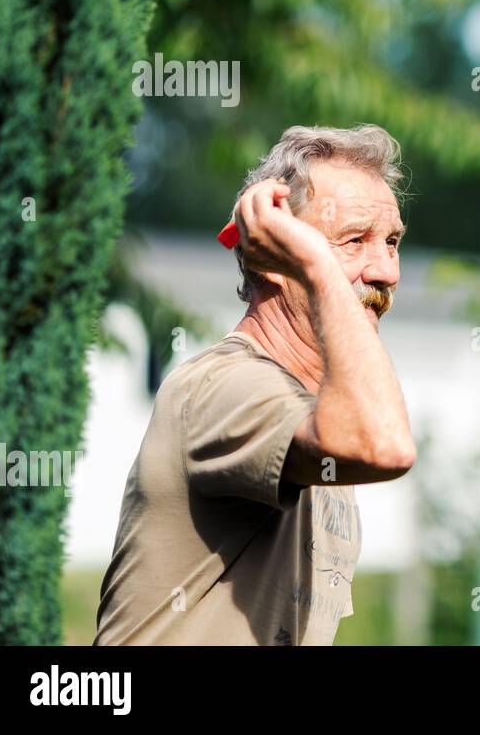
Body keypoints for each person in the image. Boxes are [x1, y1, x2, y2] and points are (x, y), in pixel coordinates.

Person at [95, 124, 416, 645]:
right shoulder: (225, 386)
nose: (385, 270)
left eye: (393, 242)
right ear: (275, 261)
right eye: (354, 240)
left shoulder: (323, 416)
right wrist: (315, 264)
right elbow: (385, 446)